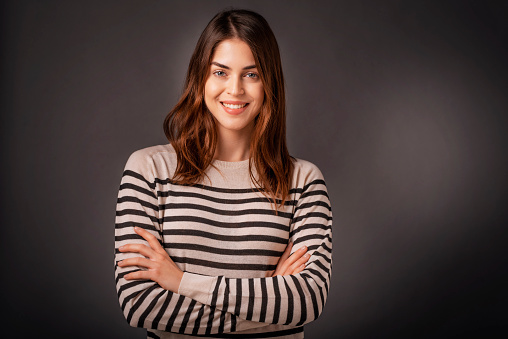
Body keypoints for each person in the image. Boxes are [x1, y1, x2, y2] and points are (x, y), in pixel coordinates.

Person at [114, 9, 332, 339]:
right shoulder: (148, 171)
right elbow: (140, 305)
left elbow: (307, 301)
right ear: (200, 77)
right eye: (220, 72)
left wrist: (181, 282)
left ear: (269, 82)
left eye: (251, 74)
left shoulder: (304, 181)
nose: (235, 89)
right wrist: (269, 296)